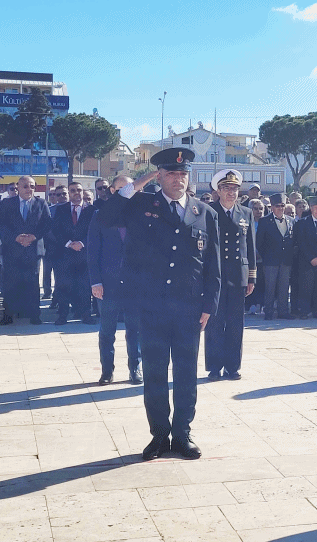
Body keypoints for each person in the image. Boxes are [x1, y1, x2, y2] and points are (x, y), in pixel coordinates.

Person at [98, 147, 221, 461]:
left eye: (182, 174)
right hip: (150, 306)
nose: (178, 179)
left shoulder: (204, 212)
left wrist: (210, 304)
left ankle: (183, 435)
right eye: (170, 173)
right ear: (160, 176)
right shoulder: (141, 204)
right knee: (154, 374)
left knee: (185, 374)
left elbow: (212, 264)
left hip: (189, 309)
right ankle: (159, 437)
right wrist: (140, 182)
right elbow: (106, 216)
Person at [87, 175, 142, 384]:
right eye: (121, 189)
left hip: (134, 283)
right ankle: (107, 370)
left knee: (135, 329)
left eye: (129, 188)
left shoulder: (139, 215)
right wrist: (95, 281)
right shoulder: (99, 215)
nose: (126, 192)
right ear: (112, 191)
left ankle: (135, 368)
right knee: (107, 330)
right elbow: (92, 251)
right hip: (108, 283)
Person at [205, 169, 256, 381]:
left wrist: (251, 277)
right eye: (226, 188)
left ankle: (232, 366)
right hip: (215, 276)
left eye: (234, 189)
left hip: (238, 275)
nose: (231, 193)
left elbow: (251, 247)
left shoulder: (246, 213)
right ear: (218, 190)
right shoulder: (208, 211)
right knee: (215, 322)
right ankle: (215, 367)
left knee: (236, 323)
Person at [0, 176, 51, 325]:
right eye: (26, 186)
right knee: (11, 283)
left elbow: (47, 224)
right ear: (18, 187)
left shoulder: (41, 203)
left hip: (32, 250)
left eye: (32, 186)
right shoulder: (6, 203)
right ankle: (8, 315)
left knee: (32, 283)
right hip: (12, 250)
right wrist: (15, 237)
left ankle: (35, 314)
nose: (29, 189)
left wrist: (33, 236)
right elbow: (2, 225)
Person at [51, 181, 96, 325]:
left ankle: (86, 314)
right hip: (64, 254)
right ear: (69, 193)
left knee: (84, 287)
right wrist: (69, 243)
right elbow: (56, 230)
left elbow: (93, 232)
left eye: (79, 190)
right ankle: (62, 315)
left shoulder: (92, 210)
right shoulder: (61, 209)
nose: (76, 193)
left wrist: (81, 243)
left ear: (83, 192)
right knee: (63, 286)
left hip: (84, 255)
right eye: (73, 190)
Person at [257, 193, 295, 320]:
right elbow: (259, 243)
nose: (280, 208)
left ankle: (283, 311)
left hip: (286, 260)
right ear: (272, 207)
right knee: (270, 287)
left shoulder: (291, 221)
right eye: (277, 206)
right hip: (270, 260)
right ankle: (268, 311)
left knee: (284, 287)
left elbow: (293, 240)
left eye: (282, 205)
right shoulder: (264, 221)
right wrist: (266, 256)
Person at [294, 196, 317, 319]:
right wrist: (311, 258)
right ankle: (304, 311)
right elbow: (301, 243)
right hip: (307, 261)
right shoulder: (302, 223)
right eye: (315, 208)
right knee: (306, 286)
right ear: (311, 209)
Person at [247, 199, 266, 314]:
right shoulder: (248, 222)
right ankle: (251, 304)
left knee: (262, 282)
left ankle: (261, 304)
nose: (258, 211)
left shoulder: (266, 222)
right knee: (251, 281)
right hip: (251, 257)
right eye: (256, 209)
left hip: (263, 258)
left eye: (261, 209)